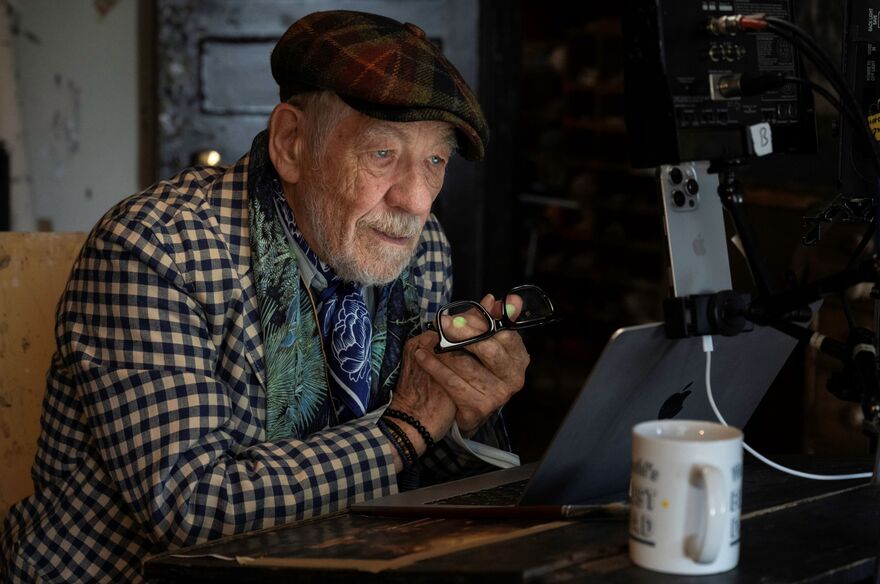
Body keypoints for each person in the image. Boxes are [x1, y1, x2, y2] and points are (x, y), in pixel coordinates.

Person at [0, 10, 530, 583]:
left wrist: (465, 414)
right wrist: (403, 430)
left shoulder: (421, 252)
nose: (416, 201)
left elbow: (422, 480)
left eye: (434, 161)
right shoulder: (155, 248)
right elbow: (193, 507)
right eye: (382, 154)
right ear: (292, 143)